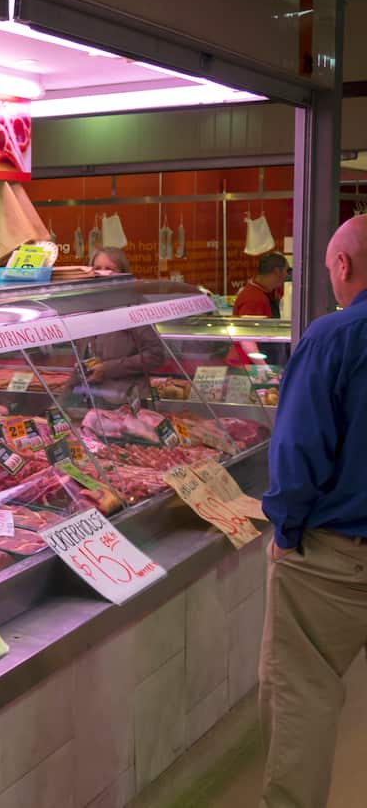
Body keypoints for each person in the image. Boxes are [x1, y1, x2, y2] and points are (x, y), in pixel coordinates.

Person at [258, 214, 367, 808]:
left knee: (301, 703)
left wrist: (285, 531)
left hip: (333, 560)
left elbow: (297, 452)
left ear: (343, 265)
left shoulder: (332, 336)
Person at [73, 248, 165, 402]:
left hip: (126, 400)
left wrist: (108, 369)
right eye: (97, 269)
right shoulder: (88, 305)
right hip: (93, 398)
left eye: (109, 269)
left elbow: (155, 356)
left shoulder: (134, 304)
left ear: (122, 273)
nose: (102, 273)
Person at [234, 251, 289, 318]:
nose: (286, 275)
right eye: (286, 271)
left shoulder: (266, 291)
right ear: (277, 271)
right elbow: (250, 328)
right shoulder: (254, 300)